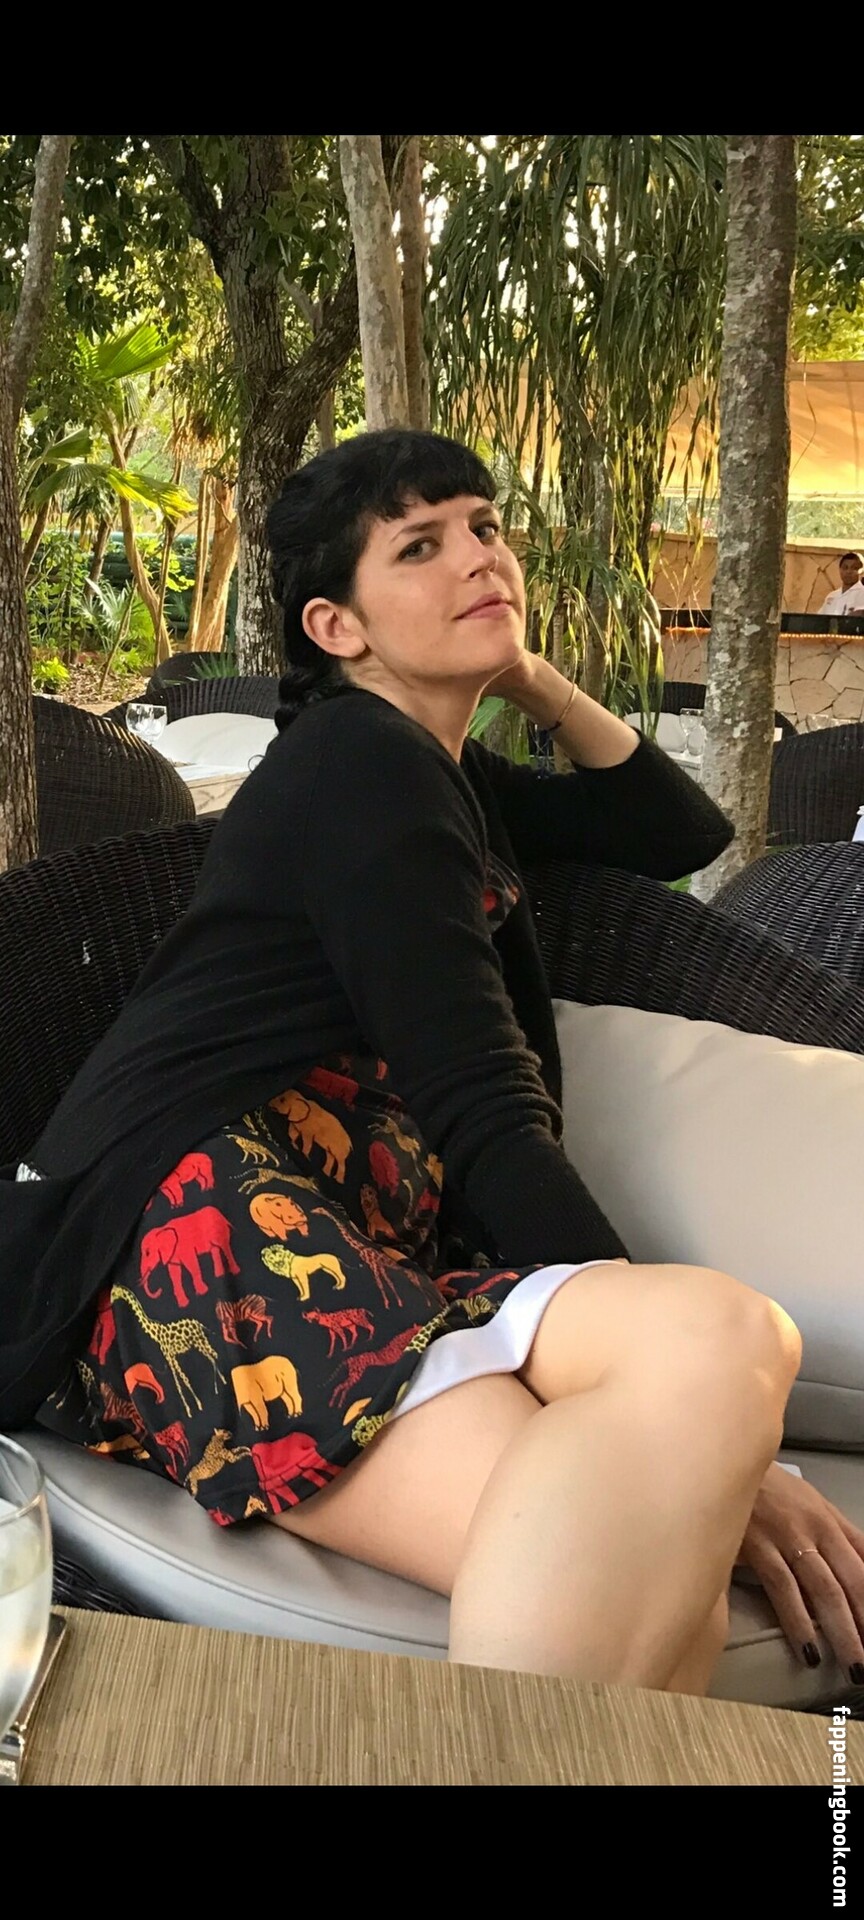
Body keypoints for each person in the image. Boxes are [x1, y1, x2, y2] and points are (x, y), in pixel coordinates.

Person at [3, 429, 863, 1699]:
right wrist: (745, 1466)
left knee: (646, 1538)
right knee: (695, 1394)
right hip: (212, 1239)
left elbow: (676, 827)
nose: (480, 556)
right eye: (420, 545)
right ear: (336, 627)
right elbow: (489, 1114)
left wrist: (528, 677)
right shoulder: (362, 769)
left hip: (359, 1250)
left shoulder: (442, 771)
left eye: (485, 527)